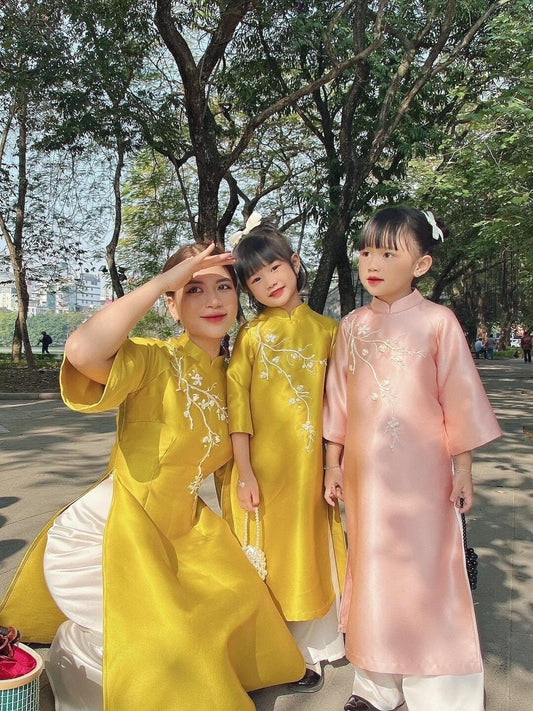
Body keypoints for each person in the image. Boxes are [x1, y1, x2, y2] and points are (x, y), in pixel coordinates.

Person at [0, 242, 304, 711]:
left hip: (184, 527)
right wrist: (164, 278)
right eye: (193, 289)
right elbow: (81, 351)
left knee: (238, 600)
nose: (213, 301)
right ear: (171, 304)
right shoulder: (152, 359)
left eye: (224, 287)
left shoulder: (237, 372)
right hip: (118, 528)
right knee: (173, 649)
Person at [323, 207, 502, 711]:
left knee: (430, 571)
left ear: (420, 265)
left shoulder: (439, 322)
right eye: (364, 252)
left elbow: (459, 400)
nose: (371, 263)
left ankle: (439, 691)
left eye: (387, 252)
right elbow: (337, 401)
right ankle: (376, 687)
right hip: (365, 479)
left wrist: (463, 469)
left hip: (425, 478)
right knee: (373, 568)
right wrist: (332, 463)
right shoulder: (351, 327)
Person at [221, 213, 346, 693]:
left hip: (313, 469)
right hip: (264, 473)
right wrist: (245, 473)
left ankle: (314, 650)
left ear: (295, 264)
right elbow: (238, 409)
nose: (268, 282)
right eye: (254, 278)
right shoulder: (251, 337)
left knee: (312, 554)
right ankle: (276, 651)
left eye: (275, 268)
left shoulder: (329, 331)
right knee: (268, 557)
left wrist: (334, 464)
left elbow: (340, 406)